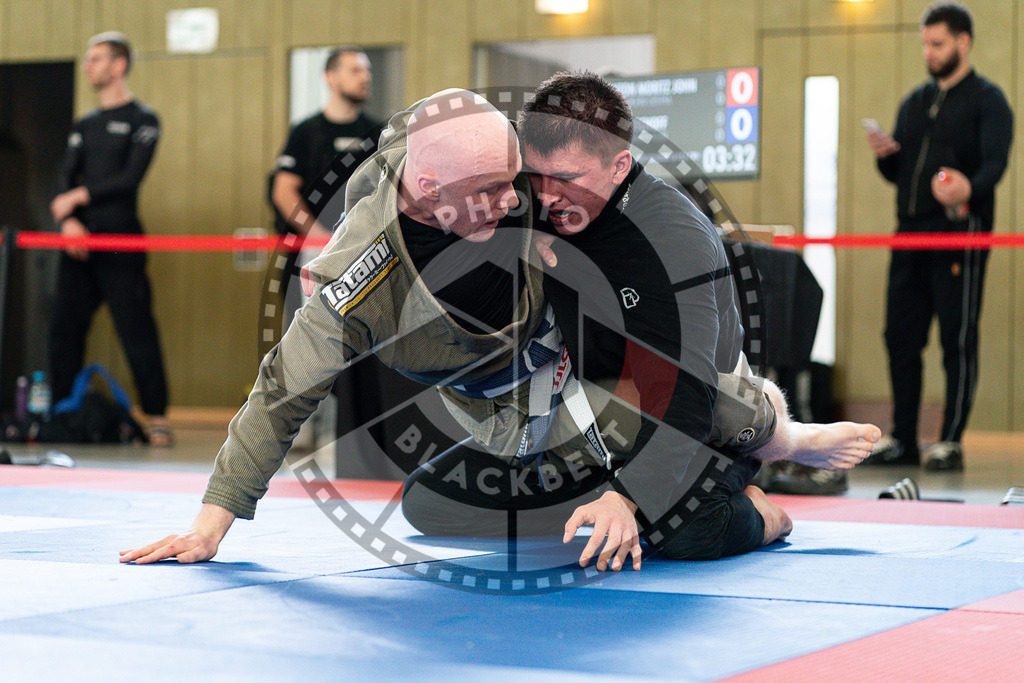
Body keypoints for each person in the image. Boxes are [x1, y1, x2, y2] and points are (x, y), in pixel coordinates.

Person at [400, 72, 881, 569]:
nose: (545, 197)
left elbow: (688, 394)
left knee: (683, 533)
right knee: (431, 501)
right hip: (585, 420)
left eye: (567, 179)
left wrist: (626, 498)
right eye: (535, 176)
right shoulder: (531, 201)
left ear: (619, 165)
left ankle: (764, 499)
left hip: (700, 414)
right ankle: (604, 506)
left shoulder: (675, 241)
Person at [864, 2, 1013, 471]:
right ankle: (904, 438)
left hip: (958, 233)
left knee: (957, 337)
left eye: (938, 44)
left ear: (963, 43)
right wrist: (887, 156)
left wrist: (971, 187)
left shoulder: (989, 100)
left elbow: (994, 164)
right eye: (925, 44)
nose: (929, 52)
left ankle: (949, 441)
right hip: (909, 233)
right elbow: (901, 172)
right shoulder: (914, 100)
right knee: (900, 337)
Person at [49, 32, 171, 446]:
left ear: (119, 65)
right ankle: (61, 411)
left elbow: (128, 178)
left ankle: (156, 416)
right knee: (65, 328)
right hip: (79, 241)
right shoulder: (84, 124)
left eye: (96, 59)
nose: (88, 66)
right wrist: (69, 223)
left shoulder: (144, 120)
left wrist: (79, 196)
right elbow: (65, 176)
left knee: (136, 329)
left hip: (121, 240)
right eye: (87, 59)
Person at [269, 46, 384, 455]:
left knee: (359, 342)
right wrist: (320, 238)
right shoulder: (306, 132)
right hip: (315, 255)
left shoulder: (378, 132)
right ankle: (299, 426)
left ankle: (351, 430)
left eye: (367, 69)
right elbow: (284, 190)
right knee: (307, 341)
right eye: (355, 69)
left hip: (365, 256)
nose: (364, 77)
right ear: (331, 78)